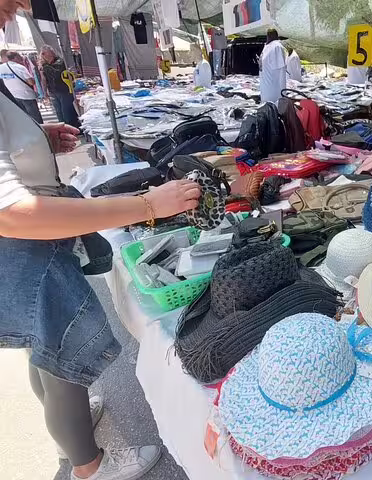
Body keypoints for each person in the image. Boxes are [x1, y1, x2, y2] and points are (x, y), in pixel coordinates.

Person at [0, 2, 202, 480]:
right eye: (7, 4)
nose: (14, 14)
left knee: (43, 345)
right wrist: (148, 206)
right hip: (24, 245)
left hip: (34, 245)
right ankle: (90, 466)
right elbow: (10, 212)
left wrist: (37, 139)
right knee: (61, 350)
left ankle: (74, 434)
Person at [39, 44, 80, 128]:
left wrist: (45, 67)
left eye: (46, 53)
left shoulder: (60, 61)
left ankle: (71, 128)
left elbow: (57, 74)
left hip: (64, 90)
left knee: (67, 112)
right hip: (53, 91)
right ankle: (63, 128)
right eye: (43, 53)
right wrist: (45, 92)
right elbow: (43, 79)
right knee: (59, 112)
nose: (44, 55)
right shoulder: (43, 65)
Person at [0, 51, 43, 123]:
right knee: (36, 118)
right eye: (19, 56)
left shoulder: (1, 68)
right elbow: (31, 82)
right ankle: (41, 132)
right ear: (15, 57)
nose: (21, 58)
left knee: (24, 119)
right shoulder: (20, 67)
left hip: (14, 96)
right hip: (26, 96)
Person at [259, 28, 287, 103]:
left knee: (274, 106)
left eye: (269, 35)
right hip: (265, 85)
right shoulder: (267, 46)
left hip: (273, 87)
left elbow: (280, 71)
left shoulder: (277, 47)